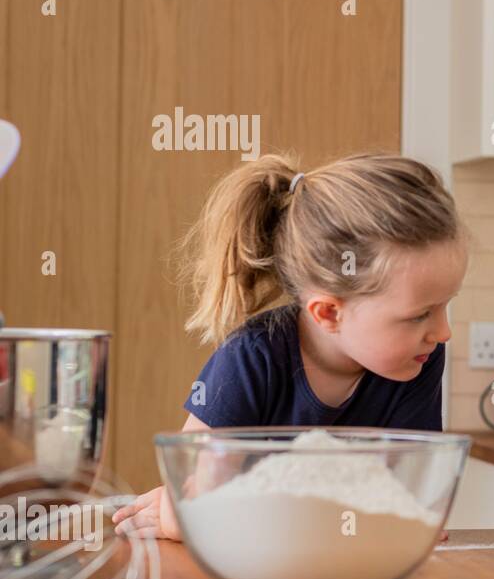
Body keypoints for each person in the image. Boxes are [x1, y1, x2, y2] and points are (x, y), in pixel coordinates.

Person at [113, 153, 465, 540]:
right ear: (329, 313)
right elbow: (187, 513)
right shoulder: (251, 359)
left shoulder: (418, 358)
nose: (443, 331)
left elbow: (412, 508)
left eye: (445, 306)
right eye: (421, 314)